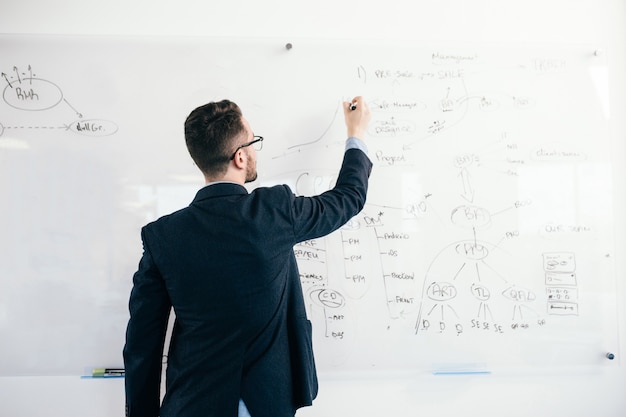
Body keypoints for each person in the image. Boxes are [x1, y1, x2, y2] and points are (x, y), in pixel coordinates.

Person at [123, 96, 372, 417]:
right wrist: (357, 133)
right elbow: (348, 198)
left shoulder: (162, 236)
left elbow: (142, 342)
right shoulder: (275, 211)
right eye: (254, 142)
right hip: (267, 401)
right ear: (240, 157)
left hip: (193, 403)